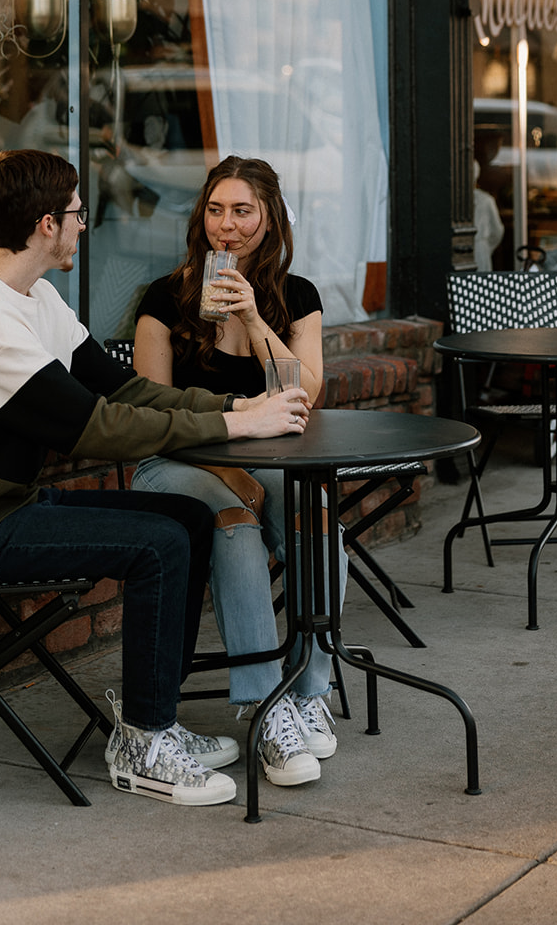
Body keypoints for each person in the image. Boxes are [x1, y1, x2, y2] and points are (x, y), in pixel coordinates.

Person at [0, 148, 311, 808]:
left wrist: (237, 408)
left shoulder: (32, 297)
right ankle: (144, 744)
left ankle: (159, 720)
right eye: (74, 214)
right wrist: (237, 427)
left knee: (184, 517)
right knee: (159, 543)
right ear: (45, 225)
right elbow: (99, 427)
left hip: (7, 504)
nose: (83, 225)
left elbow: (126, 391)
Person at [132, 155, 348, 789]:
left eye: (243, 211)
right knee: (232, 520)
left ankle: (309, 691)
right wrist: (233, 476)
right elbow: (151, 414)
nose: (227, 226)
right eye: (216, 209)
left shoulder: (295, 297)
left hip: (262, 461)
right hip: (174, 464)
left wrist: (255, 319)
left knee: (315, 514)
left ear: (269, 218)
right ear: (202, 216)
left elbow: (305, 395)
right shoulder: (165, 298)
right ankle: (263, 705)